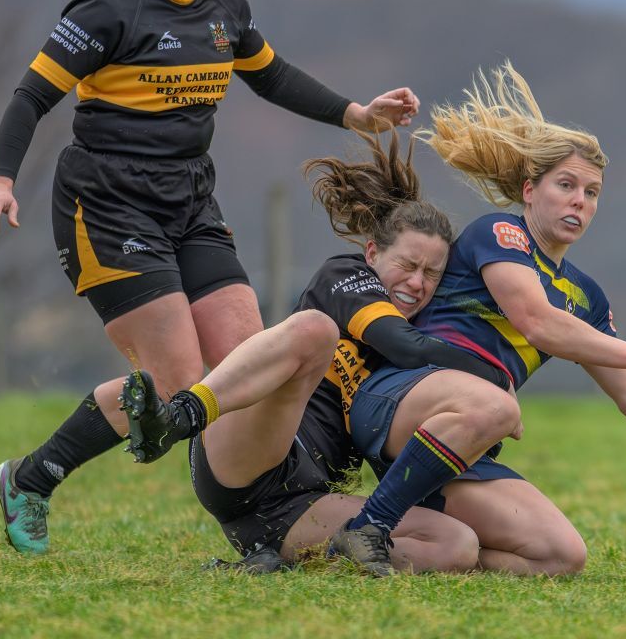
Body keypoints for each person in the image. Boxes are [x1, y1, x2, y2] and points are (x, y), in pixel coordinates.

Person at [0, 0, 419, 555]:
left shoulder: (224, 7)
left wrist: (355, 114)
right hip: (108, 207)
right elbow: (31, 96)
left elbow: (270, 74)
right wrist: (0, 181)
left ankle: (272, 515)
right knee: (179, 385)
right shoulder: (104, 11)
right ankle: (31, 478)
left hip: (189, 199)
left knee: (246, 367)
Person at [326, 62, 626, 577]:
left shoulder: (586, 296)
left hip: (466, 437)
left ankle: (386, 544)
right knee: (497, 406)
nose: (579, 201)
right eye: (566, 185)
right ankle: (367, 525)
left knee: (560, 556)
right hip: (398, 400)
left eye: (591, 193)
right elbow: (538, 322)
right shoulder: (500, 234)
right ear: (530, 190)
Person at [120, 129, 504, 573]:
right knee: (316, 329)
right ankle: (180, 416)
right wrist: (497, 377)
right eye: (407, 264)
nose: (417, 282)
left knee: (457, 544)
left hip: (296, 504)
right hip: (243, 456)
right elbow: (406, 346)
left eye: (432, 273)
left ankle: (276, 563)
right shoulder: (346, 277)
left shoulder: (427, 329)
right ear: (373, 253)